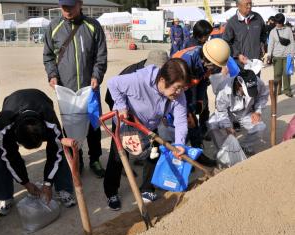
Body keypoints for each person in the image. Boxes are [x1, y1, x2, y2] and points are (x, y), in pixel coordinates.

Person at [104, 58, 191, 210]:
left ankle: (146, 189)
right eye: (177, 88)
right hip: (127, 120)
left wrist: (179, 144)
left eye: (182, 88)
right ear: (162, 80)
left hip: (149, 124)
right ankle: (112, 192)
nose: (179, 92)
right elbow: (112, 83)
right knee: (118, 157)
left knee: (153, 154)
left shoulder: (178, 95)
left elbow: (181, 120)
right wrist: (122, 106)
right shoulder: (139, 80)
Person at [43, 0, 107, 178]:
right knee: (70, 126)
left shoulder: (93, 26)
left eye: (71, 6)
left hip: (90, 87)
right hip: (66, 89)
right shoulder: (53, 27)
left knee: (93, 125)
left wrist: (97, 75)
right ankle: (75, 160)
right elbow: (48, 56)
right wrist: (52, 75)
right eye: (63, 6)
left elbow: (101, 56)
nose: (67, 10)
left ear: (80, 4)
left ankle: (95, 159)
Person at [0, 89, 76, 216]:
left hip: (41, 98)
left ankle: (64, 188)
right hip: (12, 100)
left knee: (60, 150)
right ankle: (5, 196)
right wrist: (25, 183)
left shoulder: (50, 123)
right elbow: (10, 158)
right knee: (2, 157)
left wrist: (48, 183)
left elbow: (55, 154)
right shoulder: (4, 127)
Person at [173, 22, 230, 165]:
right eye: (214, 65)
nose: (215, 68)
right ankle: (181, 158)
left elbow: (202, 80)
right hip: (173, 90)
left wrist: (198, 101)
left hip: (187, 89)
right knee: (182, 123)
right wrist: (187, 111)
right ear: (208, 59)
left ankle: (197, 154)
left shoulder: (208, 58)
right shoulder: (185, 61)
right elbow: (177, 89)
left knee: (193, 122)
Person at [208, 69, 269, 157]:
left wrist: (258, 111)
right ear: (238, 84)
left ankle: (244, 146)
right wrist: (227, 127)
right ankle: (223, 150)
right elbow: (221, 111)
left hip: (245, 113)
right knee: (212, 123)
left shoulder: (257, 82)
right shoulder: (223, 88)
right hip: (228, 114)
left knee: (260, 127)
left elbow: (263, 96)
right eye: (245, 91)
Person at [223, 0, 267, 65]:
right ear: (238, 5)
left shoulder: (258, 18)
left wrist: (262, 48)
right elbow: (226, 42)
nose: (249, 6)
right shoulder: (232, 22)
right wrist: (237, 55)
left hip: (256, 62)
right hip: (240, 64)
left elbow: (264, 35)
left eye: (250, 3)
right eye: (246, 4)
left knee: (256, 77)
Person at [267, 13, 295, 97]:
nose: (277, 24)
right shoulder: (273, 31)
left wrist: (292, 54)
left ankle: (287, 90)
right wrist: (269, 55)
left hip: (287, 56)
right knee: (277, 74)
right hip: (277, 56)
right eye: (276, 22)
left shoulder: (288, 30)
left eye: (278, 23)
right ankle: (278, 89)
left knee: (286, 74)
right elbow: (270, 44)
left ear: (282, 22)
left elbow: (292, 42)